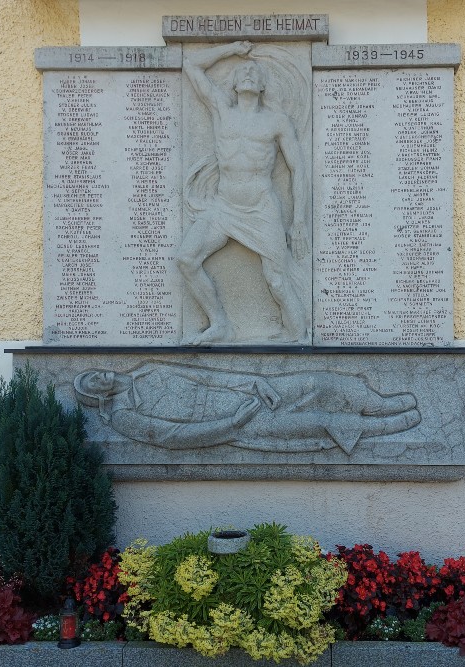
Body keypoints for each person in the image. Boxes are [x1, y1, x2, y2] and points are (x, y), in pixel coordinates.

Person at [177, 41, 310, 345]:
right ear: (234, 84)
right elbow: (192, 65)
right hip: (224, 207)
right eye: (243, 71)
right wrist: (232, 49)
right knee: (186, 259)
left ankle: (298, 336)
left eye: (255, 72)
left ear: (263, 86)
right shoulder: (221, 109)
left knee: (276, 279)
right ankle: (219, 324)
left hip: (261, 207)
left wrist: (298, 219)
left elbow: (297, 170)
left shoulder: (277, 122)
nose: (249, 73)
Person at [73, 363, 421, 454]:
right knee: (318, 422)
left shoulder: (147, 370)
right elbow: (174, 437)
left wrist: (255, 383)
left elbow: (210, 376)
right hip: (236, 423)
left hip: (248, 394)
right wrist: (231, 425)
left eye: (94, 374)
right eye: (91, 384)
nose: (98, 377)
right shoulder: (122, 416)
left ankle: (379, 405)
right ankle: (388, 426)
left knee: (320, 381)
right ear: (97, 397)